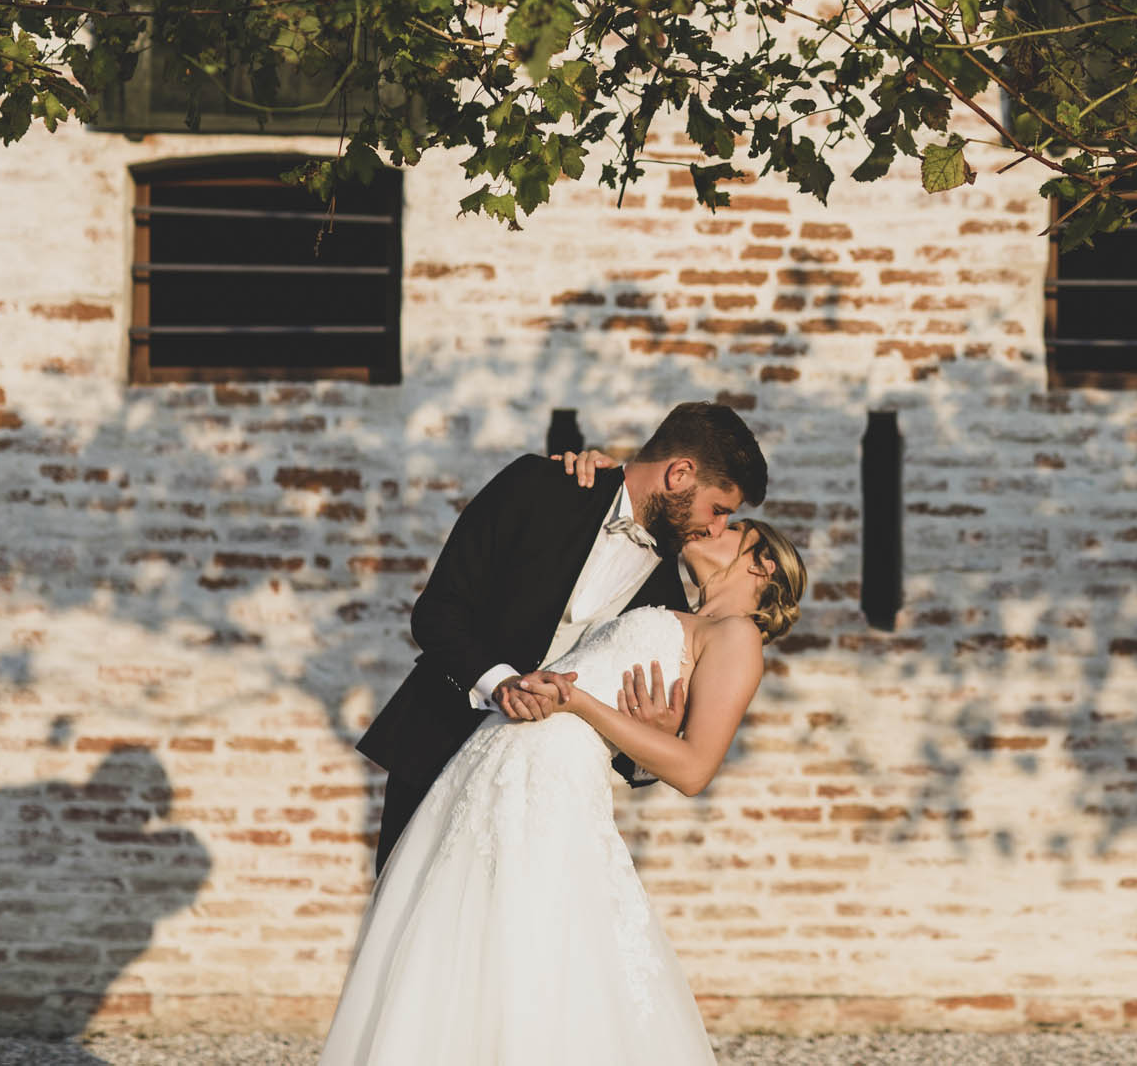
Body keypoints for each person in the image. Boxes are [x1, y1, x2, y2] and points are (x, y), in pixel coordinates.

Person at [318, 482, 808, 1064]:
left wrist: (582, 706)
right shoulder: (671, 604)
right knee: (459, 949)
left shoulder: (738, 637)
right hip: (491, 772)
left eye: (730, 525)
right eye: (719, 512)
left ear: (763, 562)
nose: (711, 527)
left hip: (552, 788)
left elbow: (696, 769)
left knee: (536, 947)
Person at [354, 401, 768, 873]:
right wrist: (501, 683)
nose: (716, 527)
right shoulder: (541, 484)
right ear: (679, 474)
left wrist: (648, 745)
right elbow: (437, 611)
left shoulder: (670, 600)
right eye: (718, 509)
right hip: (435, 748)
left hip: (545, 798)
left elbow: (640, 742)